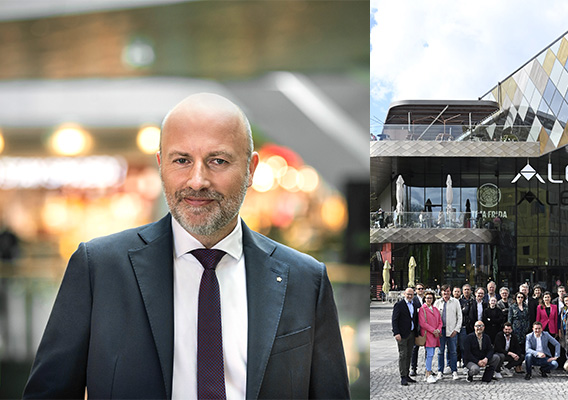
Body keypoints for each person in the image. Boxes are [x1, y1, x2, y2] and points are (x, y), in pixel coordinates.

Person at [23, 93, 349, 399]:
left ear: (250, 169)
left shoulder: (306, 279)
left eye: (218, 161)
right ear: (161, 164)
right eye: (181, 160)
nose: (197, 180)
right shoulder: (99, 268)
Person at [434, 285, 462, 380]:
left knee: (453, 351)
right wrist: (436, 330)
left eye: (448, 291)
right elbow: (433, 318)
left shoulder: (455, 302)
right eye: (444, 291)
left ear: (450, 292)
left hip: (452, 330)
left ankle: (454, 371)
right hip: (440, 331)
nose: (446, 293)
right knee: (440, 352)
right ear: (441, 292)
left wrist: (456, 330)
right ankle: (440, 371)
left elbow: (459, 317)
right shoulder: (437, 303)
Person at [393, 288, 419, 386]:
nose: (409, 296)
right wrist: (396, 333)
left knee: (409, 354)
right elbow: (394, 320)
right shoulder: (399, 305)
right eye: (408, 294)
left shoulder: (414, 304)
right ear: (404, 294)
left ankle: (407, 374)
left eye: (411, 294)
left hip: (411, 333)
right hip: (402, 334)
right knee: (403, 355)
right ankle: (403, 376)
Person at [418, 292, 443, 383]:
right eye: (427, 298)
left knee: (432, 354)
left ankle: (428, 372)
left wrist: (438, 330)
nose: (429, 300)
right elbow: (423, 323)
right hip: (428, 334)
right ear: (424, 299)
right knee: (430, 354)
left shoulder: (435, 309)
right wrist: (433, 330)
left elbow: (440, 321)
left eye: (431, 298)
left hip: (435, 335)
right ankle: (428, 373)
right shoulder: (422, 309)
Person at [508, 291, 529, 373]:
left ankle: (520, 366)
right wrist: (510, 330)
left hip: (524, 331)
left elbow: (528, 319)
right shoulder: (512, 307)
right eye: (518, 297)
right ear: (515, 298)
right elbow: (510, 319)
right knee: (516, 348)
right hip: (515, 330)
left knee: (523, 349)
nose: (520, 299)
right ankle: (516, 366)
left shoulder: (526, 307)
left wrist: (527, 328)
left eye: (522, 297)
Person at [410, 283, 425, 376]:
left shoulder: (428, 299)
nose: (420, 290)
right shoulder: (413, 300)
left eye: (422, 288)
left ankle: (428, 369)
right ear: (415, 290)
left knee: (429, 349)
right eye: (419, 289)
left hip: (427, 328)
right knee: (415, 349)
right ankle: (413, 368)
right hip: (417, 328)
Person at [458, 284, 475, 367]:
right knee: (463, 346)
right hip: (463, 326)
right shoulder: (459, 301)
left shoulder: (474, 300)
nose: (467, 291)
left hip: (473, 327)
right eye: (465, 289)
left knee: (472, 346)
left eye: (468, 289)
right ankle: (464, 362)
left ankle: (470, 362)